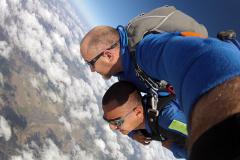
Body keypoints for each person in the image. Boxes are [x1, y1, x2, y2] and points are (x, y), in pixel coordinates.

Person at [80, 24, 240, 159]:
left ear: (108, 55)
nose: (92, 70)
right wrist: (133, 134)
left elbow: (210, 57)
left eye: (90, 63)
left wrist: (222, 139)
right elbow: (130, 111)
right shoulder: (126, 76)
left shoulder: (147, 51)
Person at [102, 81, 188, 159]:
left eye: (117, 122)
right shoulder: (139, 116)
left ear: (138, 112)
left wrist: (174, 148)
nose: (112, 127)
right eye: (107, 120)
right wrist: (133, 135)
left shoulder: (168, 119)